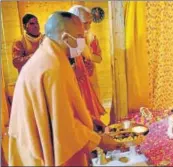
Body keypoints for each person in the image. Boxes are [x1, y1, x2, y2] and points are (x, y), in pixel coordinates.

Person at [8, 11, 120, 166]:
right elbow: (63, 126)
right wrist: (99, 140)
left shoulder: (51, 56)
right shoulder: (53, 67)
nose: (83, 42)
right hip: (37, 148)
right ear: (66, 38)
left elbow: (63, 107)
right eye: (80, 36)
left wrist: (90, 121)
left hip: (29, 142)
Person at [68, 5, 106, 131]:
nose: (88, 27)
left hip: (90, 77)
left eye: (90, 23)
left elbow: (99, 58)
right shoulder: (68, 38)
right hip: (73, 80)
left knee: (92, 108)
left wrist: (88, 55)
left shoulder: (91, 37)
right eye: (85, 23)